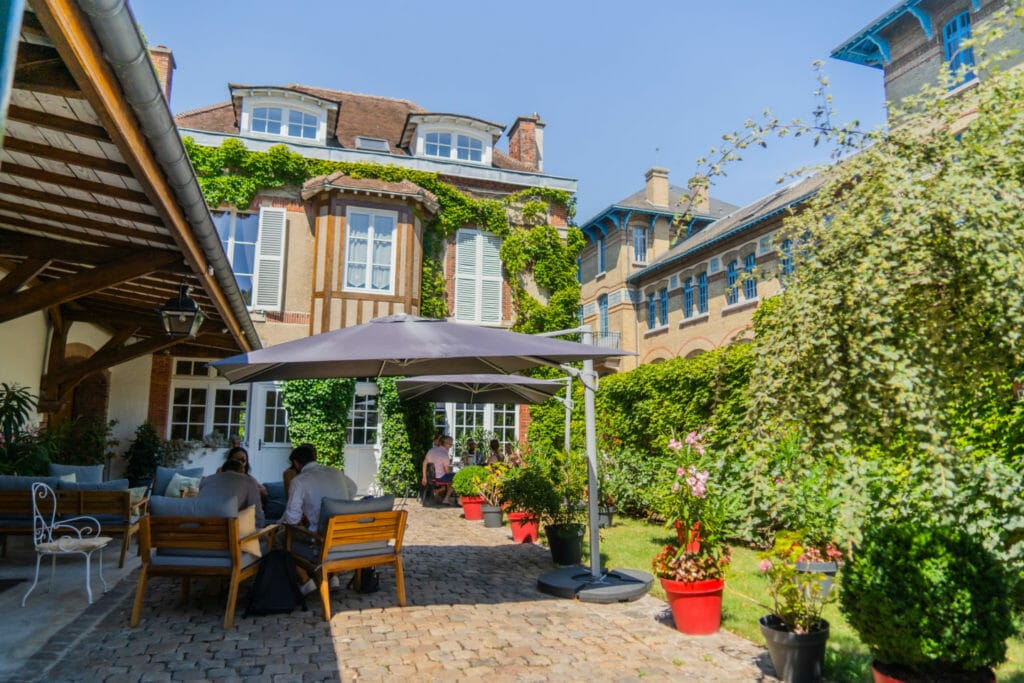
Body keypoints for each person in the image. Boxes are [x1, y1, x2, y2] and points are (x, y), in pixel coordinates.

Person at [280, 443, 353, 594]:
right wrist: (341, 501)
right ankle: (333, 577)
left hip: (319, 542)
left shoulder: (299, 481)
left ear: (295, 463)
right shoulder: (336, 472)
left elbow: (292, 520)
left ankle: (306, 580)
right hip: (343, 537)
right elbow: (354, 488)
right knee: (328, 530)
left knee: (280, 536)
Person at [198, 459, 265, 527]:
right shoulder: (248, 481)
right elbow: (257, 514)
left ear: (222, 470)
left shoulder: (206, 480)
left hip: (201, 529)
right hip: (229, 532)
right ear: (243, 472)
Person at [422, 435, 455, 505]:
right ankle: (446, 499)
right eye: (451, 444)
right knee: (457, 477)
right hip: (440, 478)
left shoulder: (431, 450)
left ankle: (438, 491)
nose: (451, 445)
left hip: (430, 477)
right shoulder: (444, 454)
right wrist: (451, 470)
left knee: (451, 477)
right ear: (445, 444)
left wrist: (424, 477)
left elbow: (424, 463)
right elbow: (447, 472)